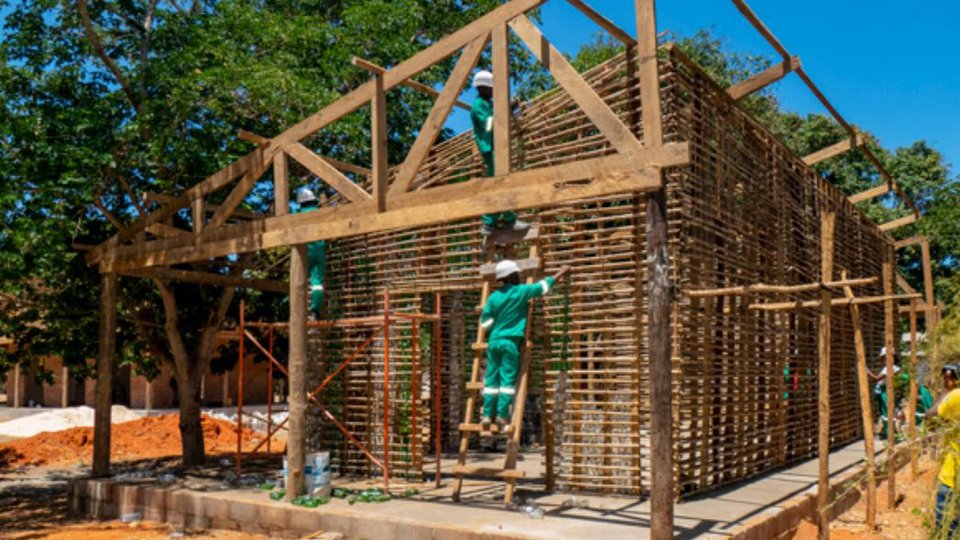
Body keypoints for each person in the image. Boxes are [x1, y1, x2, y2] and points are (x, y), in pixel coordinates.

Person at [478, 260, 570, 430]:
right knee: (506, 381)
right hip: (510, 342)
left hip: (494, 342)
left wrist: (496, 325)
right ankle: (501, 415)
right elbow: (543, 286)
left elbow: (484, 323)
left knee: (491, 380)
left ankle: (486, 415)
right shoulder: (521, 292)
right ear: (511, 276)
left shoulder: (493, 297)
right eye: (517, 274)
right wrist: (561, 272)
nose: (519, 276)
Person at [470, 70, 529, 237]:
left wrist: (510, 108)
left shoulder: (489, 103)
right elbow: (489, 125)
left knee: (500, 183)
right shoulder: (477, 107)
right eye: (490, 88)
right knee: (500, 182)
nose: (492, 91)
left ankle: (491, 222)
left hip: (498, 147)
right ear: (482, 88)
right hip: (490, 148)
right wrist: (504, 109)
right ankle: (506, 220)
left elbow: (498, 116)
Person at [929, 364, 960, 536]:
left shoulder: (956, 395)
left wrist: (946, 389)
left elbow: (930, 416)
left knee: (947, 531)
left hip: (953, 479)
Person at [294, 187, 327, 320]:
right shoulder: (320, 213)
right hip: (320, 250)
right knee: (317, 283)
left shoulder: (298, 215)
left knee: (298, 281)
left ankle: (298, 312)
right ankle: (315, 311)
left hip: (305, 250)